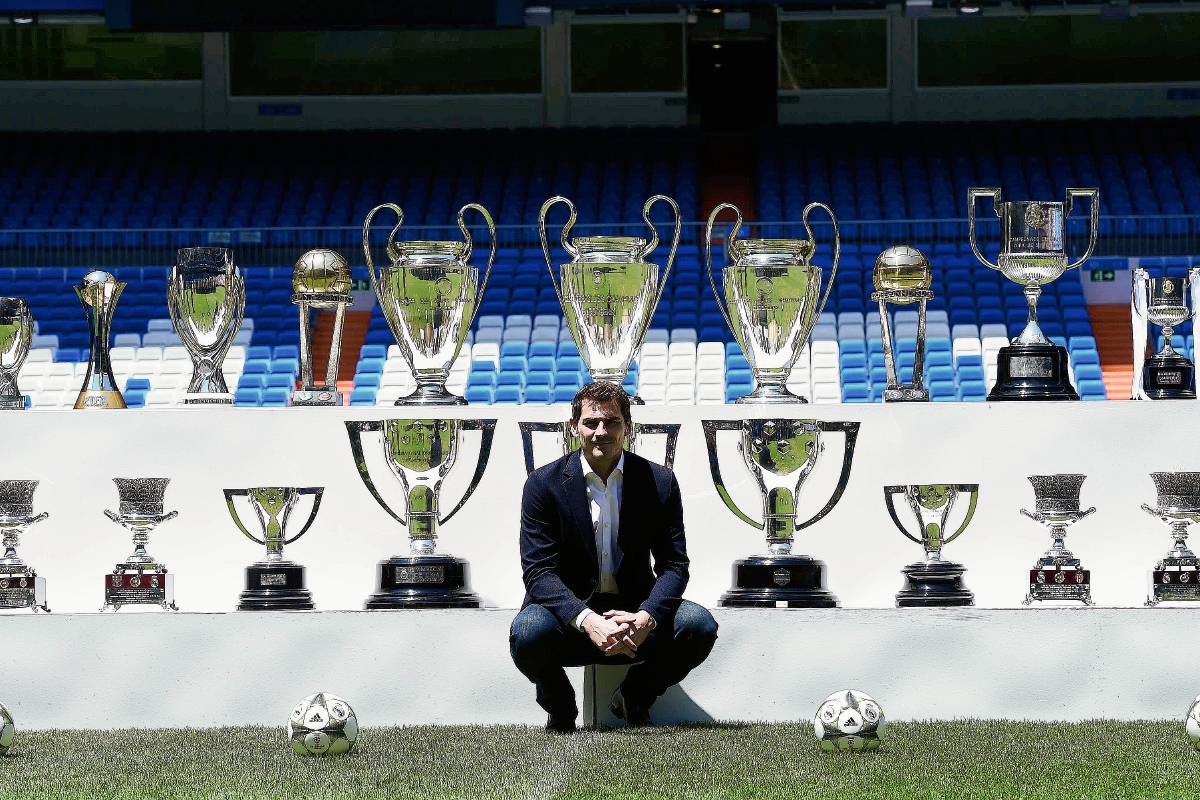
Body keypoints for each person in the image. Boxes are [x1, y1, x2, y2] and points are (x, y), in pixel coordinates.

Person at [509, 381, 718, 733]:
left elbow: (674, 565)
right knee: (527, 632)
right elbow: (538, 572)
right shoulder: (542, 484)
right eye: (591, 423)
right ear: (574, 427)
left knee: (699, 626)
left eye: (612, 422)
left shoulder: (660, 481)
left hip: (633, 619)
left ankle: (635, 695)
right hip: (569, 621)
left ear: (628, 427)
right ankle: (561, 709)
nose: (600, 432)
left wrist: (647, 617)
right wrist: (588, 620)